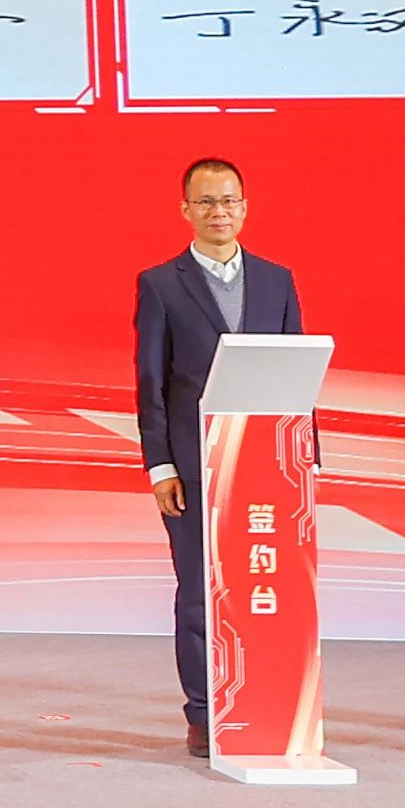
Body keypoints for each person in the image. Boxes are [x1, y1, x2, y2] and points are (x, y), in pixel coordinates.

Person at [130, 153, 298, 751]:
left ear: (245, 208)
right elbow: (151, 383)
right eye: (205, 201)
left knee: (265, 589)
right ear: (186, 210)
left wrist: (303, 460)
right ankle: (205, 712)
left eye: (228, 200)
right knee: (200, 594)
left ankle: (265, 697)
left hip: (267, 466)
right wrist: (161, 467)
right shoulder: (160, 284)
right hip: (195, 468)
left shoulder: (277, 280)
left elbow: (295, 373)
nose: (218, 211)